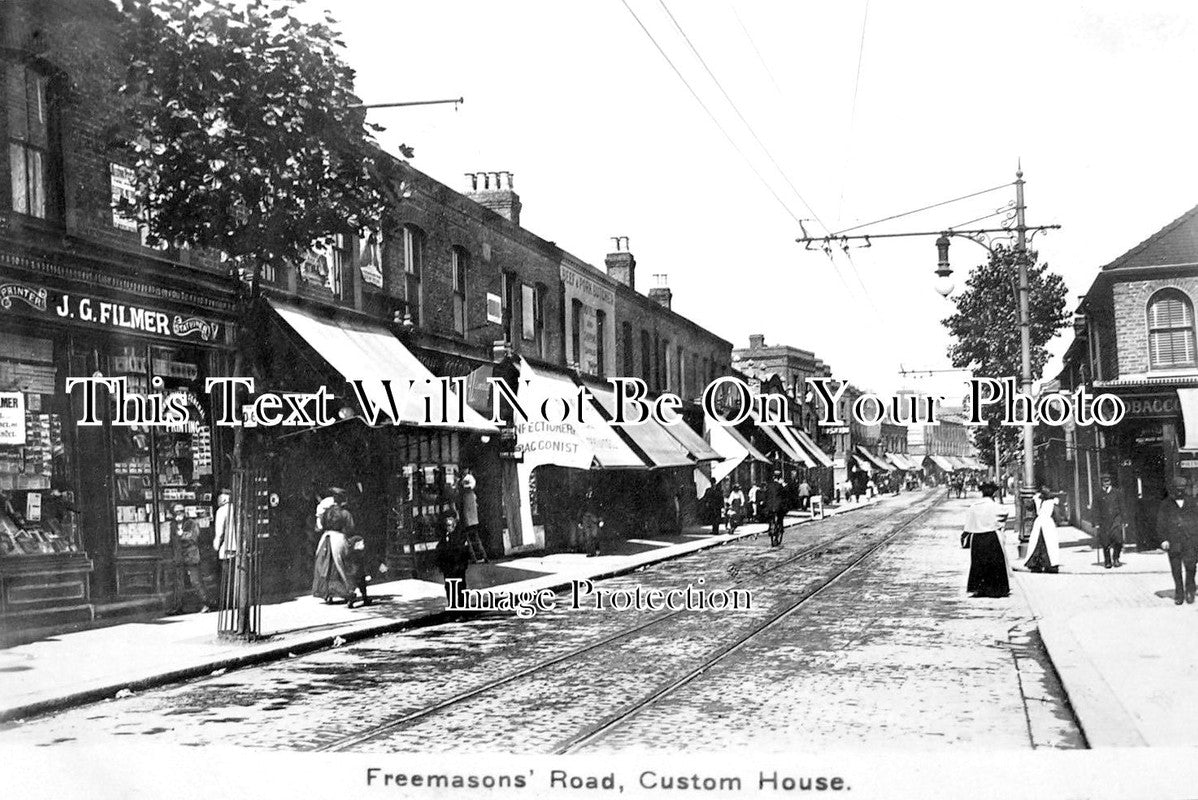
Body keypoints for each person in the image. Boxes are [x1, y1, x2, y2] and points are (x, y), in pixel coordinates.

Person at [311, 488, 362, 606]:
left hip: (326, 539)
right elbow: (350, 528)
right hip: (338, 539)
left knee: (325, 565)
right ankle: (347, 592)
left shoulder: (326, 512)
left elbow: (321, 525)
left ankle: (327, 594)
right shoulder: (345, 513)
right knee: (341, 565)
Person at [1156, 476, 1198, 605]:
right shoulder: (1166, 504)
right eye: (1177, 489)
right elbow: (1160, 523)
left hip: (1189, 540)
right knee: (1176, 569)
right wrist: (1163, 539)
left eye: (1182, 489)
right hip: (1173, 541)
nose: (1180, 491)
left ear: (1185, 489)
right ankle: (1179, 593)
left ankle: (1190, 590)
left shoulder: (1192, 502)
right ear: (1173, 489)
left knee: (1191, 567)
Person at [964, 482, 1010, 598]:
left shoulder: (974, 507)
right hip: (991, 536)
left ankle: (979, 588)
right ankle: (996, 588)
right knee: (995, 563)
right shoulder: (996, 506)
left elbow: (968, 526)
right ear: (994, 493)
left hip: (977, 538)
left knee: (978, 563)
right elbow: (1005, 514)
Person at [169, 503, 212, 613]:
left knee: (195, 581)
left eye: (181, 511)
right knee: (179, 583)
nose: (179, 514)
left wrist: (181, 535)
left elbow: (194, 538)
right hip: (179, 557)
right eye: (176, 512)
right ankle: (177, 607)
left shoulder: (191, 523)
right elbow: (172, 541)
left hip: (191, 556)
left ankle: (205, 603)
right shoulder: (172, 525)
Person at [1023, 485, 1062, 574]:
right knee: (1048, 544)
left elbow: (1028, 507)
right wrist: (1058, 521)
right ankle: (1048, 565)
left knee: (1039, 543)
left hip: (1041, 523)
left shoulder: (1038, 499)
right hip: (1047, 523)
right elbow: (1057, 515)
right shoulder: (1051, 502)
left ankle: (1037, 564)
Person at [1090, 473, 1125, 569]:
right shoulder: (1098, 495)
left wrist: (1124, 520)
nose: (1106, 483)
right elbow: (1095, 509)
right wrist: (1095, 522)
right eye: (1104, 481)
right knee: (1105, 542)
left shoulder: (1117, 493)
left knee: (1118, 540)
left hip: (1116, 520)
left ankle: (1116, 558)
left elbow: (1122, 507)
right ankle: (1107, 560)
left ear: (1111, 481)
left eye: (1108, 481)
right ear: (1102, 482)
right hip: (1103, 521)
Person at [434, 513, 471, 603]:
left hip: (458, 567)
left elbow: (464, 552)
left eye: (450, 525)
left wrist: (461, 565)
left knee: (460, 587)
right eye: (447, 526)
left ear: (454, 525)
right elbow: (439, 552)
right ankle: (453, 606)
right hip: (448, 568)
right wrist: (440, 565)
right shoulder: (444, 538)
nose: (448, 528)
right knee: (449, 588)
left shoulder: (460, 536)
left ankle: (462, 607)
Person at [458, 472, 489, 563]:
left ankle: (474, 558)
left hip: (467, 520)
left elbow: (464, 509)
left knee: (469, 539)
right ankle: (484, 555)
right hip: (474, 520)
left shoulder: (464, 496)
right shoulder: (473, 494)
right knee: (476, 538)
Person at [578, 488, 604, 556]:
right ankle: (589, 552)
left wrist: (601, 520)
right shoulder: (584, 500)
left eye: (591, 492)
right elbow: (581, 511)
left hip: (594, 519)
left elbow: (600, 510)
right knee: (587, 536)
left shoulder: (596, 500)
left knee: (595, 535)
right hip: (586, 519)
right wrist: (580, 521)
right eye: (588, 492)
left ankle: (597, 549)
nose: (589, 494)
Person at [763, 471, 786, 547]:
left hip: (770, 506)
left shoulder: (769, 486)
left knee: (770, 517)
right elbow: (784, 496)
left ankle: (770, 527)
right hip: (778, 506)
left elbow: (765, 495)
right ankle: (780, 528)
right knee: (780, 517)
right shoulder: (780, 486)